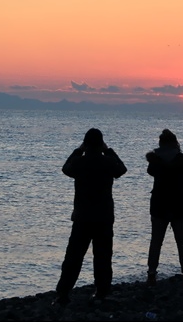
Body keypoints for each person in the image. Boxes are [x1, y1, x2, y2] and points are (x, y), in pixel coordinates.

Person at [54, 128, 127, 305]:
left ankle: (63, 293)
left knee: (73, 257)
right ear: (101, 144)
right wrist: (108, 150)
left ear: (86, 144)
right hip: (103, 216)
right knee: (102, 256)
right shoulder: (107, 162)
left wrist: (78, 150)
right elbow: (121, 169)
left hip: (83, 217)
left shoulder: (80, 162)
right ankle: (102, 291)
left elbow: (66, 168)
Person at [145, 129, 183, 286]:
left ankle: (152, 273)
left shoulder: (155, 160)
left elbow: (150, 171)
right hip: (179, 203)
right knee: (182, 240)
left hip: (159, 203)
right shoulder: (180, 159)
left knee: (156, 241)